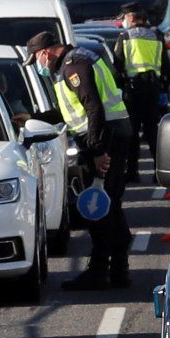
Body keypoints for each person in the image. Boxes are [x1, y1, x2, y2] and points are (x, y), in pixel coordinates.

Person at [25, 30, 134, 290]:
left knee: (98, 206)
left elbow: (93, 107)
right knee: (109, 204)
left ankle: (100, 271)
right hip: (110, 135)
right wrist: (34, 116)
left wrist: (97, 151)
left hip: (105, 138)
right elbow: (71, 111)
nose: (39, 66)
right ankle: (118, 270)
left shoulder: (75, 66)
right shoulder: (75, 62)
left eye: (37, 60)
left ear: (45, 53)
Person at [116, 3, 164, 184]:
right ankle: (159, 172)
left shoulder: (125, 37)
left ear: (130, 18)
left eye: (124, 18)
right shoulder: (156, 35)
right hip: (152, 89)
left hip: (132, 90)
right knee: (153, 132)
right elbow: (165, 64)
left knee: (133, 132)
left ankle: (132, 172)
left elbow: (118, 65)